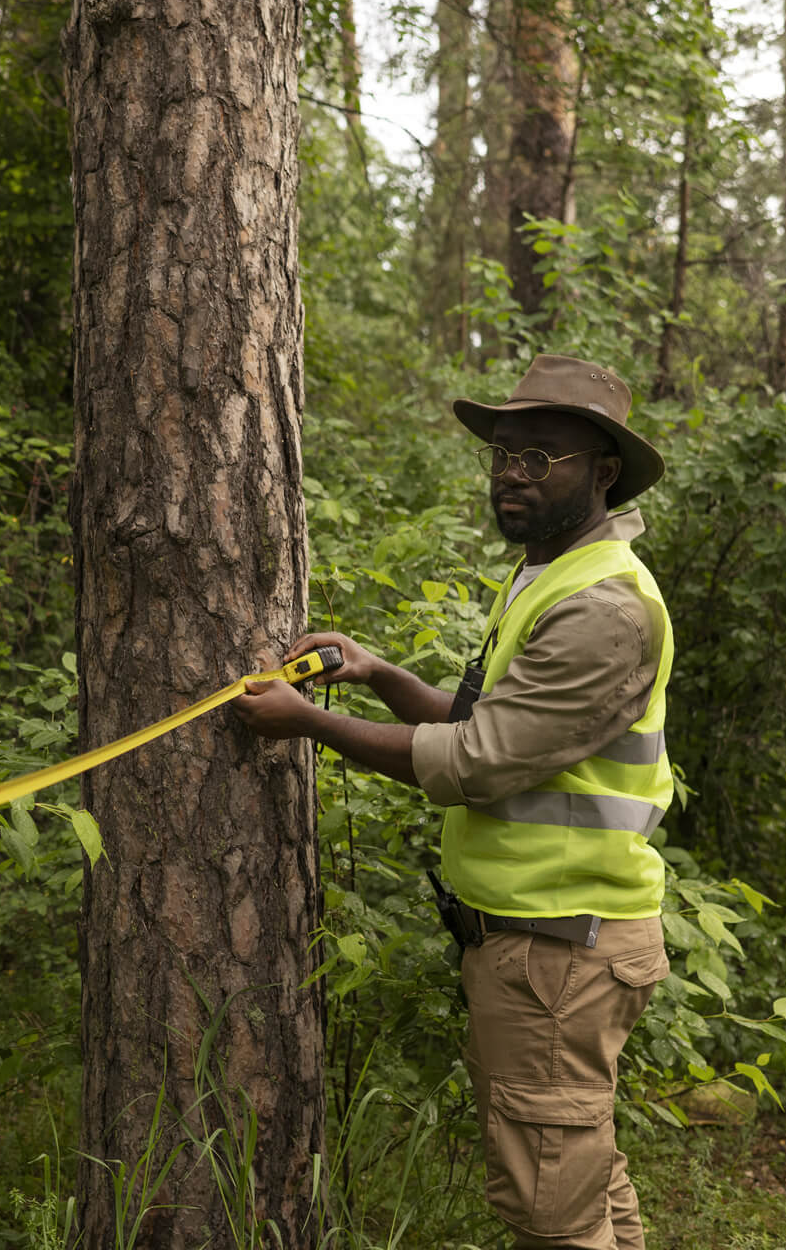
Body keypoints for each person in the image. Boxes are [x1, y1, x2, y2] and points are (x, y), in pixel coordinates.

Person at [233, 354, 675, 1250]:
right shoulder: (545, 575)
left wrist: (307, 726)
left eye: (541, 456)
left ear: (604, 471)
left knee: (551, 1211)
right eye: (504, 454)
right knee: (582, 1180)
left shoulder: (603, 608)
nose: (513, 473)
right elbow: (487, 722)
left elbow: (477, 761)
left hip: (561, 950)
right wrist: (377, 672)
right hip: (541, 944)